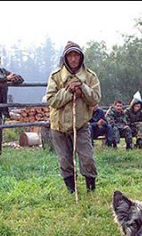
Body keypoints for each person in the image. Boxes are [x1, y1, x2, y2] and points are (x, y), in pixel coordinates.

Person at [45, 41, 101, 193]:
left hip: (81, 125)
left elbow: (95, 99)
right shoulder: (56, 76)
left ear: (81, 57)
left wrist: (82, 88)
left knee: (87, 158)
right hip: (59, 126)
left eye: (76, 55)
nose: (74, 59)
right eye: (70, 55)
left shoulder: (90, 76)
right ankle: (72, 190)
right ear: (65, 58)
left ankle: (91, 188)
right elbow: (51, 100)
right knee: (64, 160)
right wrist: (68, 92)